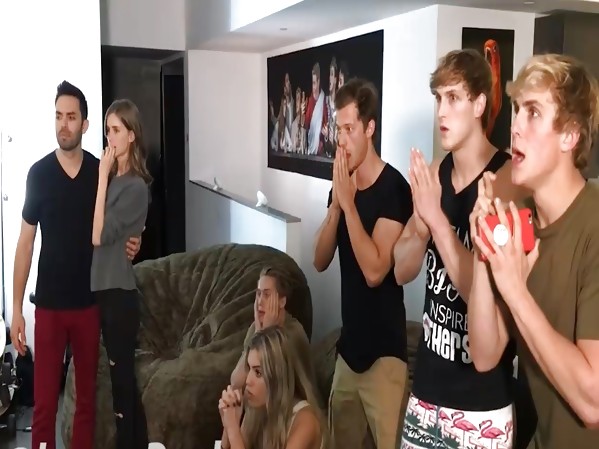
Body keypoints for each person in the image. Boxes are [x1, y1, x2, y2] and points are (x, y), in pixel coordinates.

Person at [469, 53, 599, 449]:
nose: (515, 127)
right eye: (516, 110)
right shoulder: (520, 221)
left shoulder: (594, 227)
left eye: (533, 112)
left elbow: (593, 402)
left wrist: (515, 291)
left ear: (569, 135)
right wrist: (482, 246)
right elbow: (484, 354)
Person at [394, 49, 519, 449]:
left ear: (479, 104)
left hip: (481, 404)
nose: (441, 112)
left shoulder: (505, 182)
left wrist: (438, 222)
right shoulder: (436, 173)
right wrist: (420, 227)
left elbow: (485, 298)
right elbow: (400, 271)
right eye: (438, 99)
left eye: (453, 98)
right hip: (427, 390)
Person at [10, 81, 141, 449]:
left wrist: (134, 242)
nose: (63, 124)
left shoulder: (103, 173)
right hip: (49, 306)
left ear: (84, 124)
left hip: (90, 303)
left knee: (86, 402)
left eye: (71, 117)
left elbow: (118, 230)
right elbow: (25, 243)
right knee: (44, 405)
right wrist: (16, 309)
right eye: (58, 116)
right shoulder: (39, 174)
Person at [313, 77, 413, 449]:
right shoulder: (342, 186)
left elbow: (375, 271)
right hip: (349, 352)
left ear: (369, 129)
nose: (341, 140)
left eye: (349, 129)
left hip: (385, 357)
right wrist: (338, 205)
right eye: (338, 130)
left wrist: (350, 205)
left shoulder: (394, 189)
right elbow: (319, 259)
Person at [91, 99, 151, 449]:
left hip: (118, 293)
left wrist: (101, 179)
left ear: (131, 135)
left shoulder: (134, 186)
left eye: (116, 130)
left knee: (122, 388)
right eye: (107, 130)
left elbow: (98, 235)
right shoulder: (114, 179)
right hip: (103, 288)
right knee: (121, 386)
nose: (110, 138)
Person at [219, 326, 326, 449]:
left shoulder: (306, 422)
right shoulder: (256, 408)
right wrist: (227, 429)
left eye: (258, 372)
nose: (248, 381)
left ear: (278, 377)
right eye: (249, 368)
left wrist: (233, 430)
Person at [230, 267, 316, 399]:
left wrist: (266, 334)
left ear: (282, 301)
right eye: (258, 294)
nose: (260, 301)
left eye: (266, 295)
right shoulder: (256, 327)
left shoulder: (293, 332)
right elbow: (236, 383)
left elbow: (277, 388)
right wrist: (259, 333)